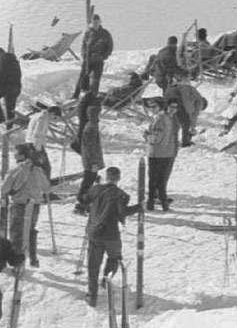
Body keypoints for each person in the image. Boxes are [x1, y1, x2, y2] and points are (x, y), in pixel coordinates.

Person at [84, 167, 132, 307]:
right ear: (119, 178)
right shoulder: (122, 195)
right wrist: (139, 207)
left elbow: (83, 199)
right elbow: (122, 212)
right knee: (114, 257)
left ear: (106, 177)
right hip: (111, 234)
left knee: (93, 265)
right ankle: (106, 281)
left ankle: (92, 296)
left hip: (94, 232)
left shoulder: (96, 189)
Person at [0, 145, 52, 265]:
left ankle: (17, 261)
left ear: (22, 155)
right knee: (31, 230)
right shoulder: (38, 170)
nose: (14, 155)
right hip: (34, 205)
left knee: (17, 232)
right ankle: (33, 257)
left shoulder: (16, 170)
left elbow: (4, 188)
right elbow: (47, 187)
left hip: (19, 204)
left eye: (16, 153)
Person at [143, 99, 180, 211]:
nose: (151, 109)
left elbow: (155, 138)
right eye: (150, 107)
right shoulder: (167, 118)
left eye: (154, 107)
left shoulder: (160, 119)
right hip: (166, 153)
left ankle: (152, 203)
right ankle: (163, 203)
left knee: (154, 180)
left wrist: (147, 135)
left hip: (158, 153)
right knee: (161, 181)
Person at [71, 92, 105, 211]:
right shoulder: (91, 128)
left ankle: (84, 202)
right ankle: (81, 203)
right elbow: (90, 148)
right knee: (87, 182)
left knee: (89, 181)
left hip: (90, 161)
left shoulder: (91, 126)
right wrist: (94, 163)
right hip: (91, 161)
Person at [75, 14, 113, 100]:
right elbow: (84, 44)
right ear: (91, 23)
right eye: (94, 22)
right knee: (82, 77)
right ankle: (75, 96)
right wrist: (84, 54)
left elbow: (110, 47)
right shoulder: (88, 33)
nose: (95, 24)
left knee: (95, 79)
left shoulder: (105, 33)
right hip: (88, 59)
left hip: (98, 59)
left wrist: (103, 56)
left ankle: (92, 97)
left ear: (100, 22)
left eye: (97, 22)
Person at [0, 40, 24, 126]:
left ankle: (3, 119)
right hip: (16, 87)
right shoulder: (13, 60)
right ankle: (9, 123)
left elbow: (1, 73)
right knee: (10, 107)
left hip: (8, 88)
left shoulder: (3, 60)